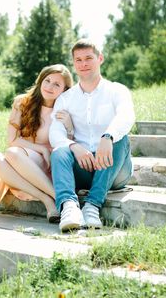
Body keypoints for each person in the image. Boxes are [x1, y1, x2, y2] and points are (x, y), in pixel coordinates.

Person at [49, 39, 135, 231]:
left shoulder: (116, 90)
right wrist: (74, 146)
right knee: (59, 151)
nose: (84, 64)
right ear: (74, 63)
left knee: (120, 138)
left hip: (115, 171)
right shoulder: (66, 98)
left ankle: (92, 206)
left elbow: (126, 116)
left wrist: (108, 136)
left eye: (89, 58)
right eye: (78, 60)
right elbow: (55, 132)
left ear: (100, 59)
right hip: (84, 167)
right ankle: (69, 208)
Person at [0, 64, 73, 223]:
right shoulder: (22, 102)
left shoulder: (65, 110)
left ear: (65, 90)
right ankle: (51, 198)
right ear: (40, 80)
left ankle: (59, 199)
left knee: (12, 153)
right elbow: (12, 140)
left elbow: (70, 143)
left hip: (46, 164)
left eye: (57, 84)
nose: (50, 87)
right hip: (23, 157)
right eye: (47, 80)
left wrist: (69, 125)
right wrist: (41, 148)